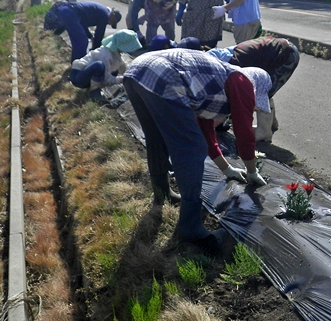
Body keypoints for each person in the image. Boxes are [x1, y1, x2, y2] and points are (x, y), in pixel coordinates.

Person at [123, 49, 270, 249]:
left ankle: (162, 193)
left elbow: (207, 133)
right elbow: (244, 134)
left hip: (138, 71)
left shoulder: (218, 82)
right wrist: (252, 171)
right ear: (258, 87)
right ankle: (190, 227)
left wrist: (227, 170)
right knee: (191, 148)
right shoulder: (243, 83)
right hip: (164, 75)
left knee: (157, 139)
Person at [206, 36, 300, 142]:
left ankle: (264, 132)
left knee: (262, 91)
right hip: (281, 49)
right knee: (265, 89)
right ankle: (272, 123)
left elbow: (226, 107)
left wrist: (208, 128)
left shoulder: (225, 69)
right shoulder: (213, 58)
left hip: (284, 55)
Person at [70, 29, 143, 99]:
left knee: (115, 70)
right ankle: (94, 91)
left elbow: (122, 66)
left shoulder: (115, 53)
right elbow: (106, 78)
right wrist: (122, 79)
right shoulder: (105, 55)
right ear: (120, 45)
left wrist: (131, 76)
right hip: (78, 77)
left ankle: (94, 87)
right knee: (99, 65)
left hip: (87, 75)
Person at [44, 0, 122, 62]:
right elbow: (99, 35)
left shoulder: (99, 12)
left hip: (66, 11)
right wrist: (96, 53)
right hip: (70, 13)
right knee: (82, 41)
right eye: (113, 22)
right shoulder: (105, 15)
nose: (109, 23)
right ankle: (79, 69)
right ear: (113, 15)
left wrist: (91, 37)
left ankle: (75, 66)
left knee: (78, 42)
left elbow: (83, 25)